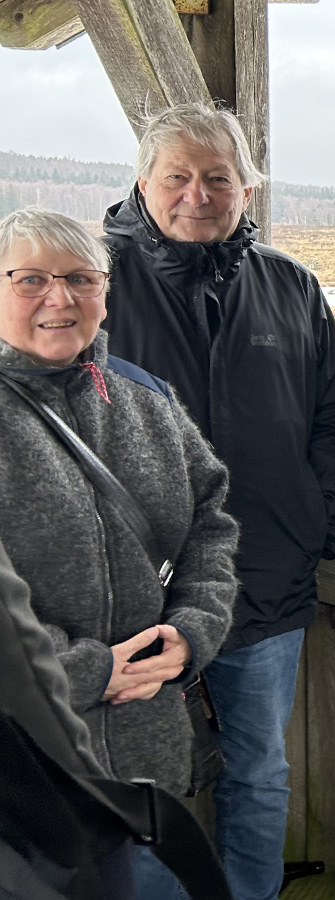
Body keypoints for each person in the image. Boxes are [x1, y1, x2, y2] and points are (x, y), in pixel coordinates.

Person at [100, 102, 335, 900]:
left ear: (249, 187)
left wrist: (318, 519)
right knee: (144, 785)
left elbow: (332, 417)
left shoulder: (290, 285)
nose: (197, 193)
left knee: (258, 770)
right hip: (131, 593)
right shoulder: (89, 281)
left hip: (265, 576)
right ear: (144, 181)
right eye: (177, 176)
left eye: (218, 177)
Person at [0, 207, 239, 896]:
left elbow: (210, 525)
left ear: (105, 292)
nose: (59, 298)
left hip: (144, 761)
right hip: (26, 778)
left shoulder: (147, 401)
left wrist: (193, 632)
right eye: (31, 279)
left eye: (80, 278)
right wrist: (83, 671)